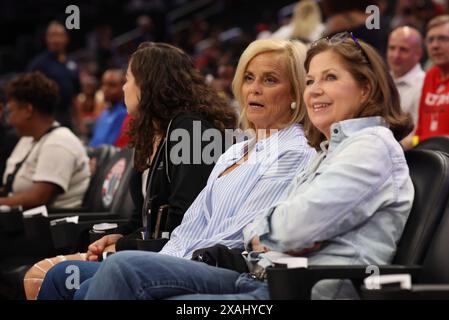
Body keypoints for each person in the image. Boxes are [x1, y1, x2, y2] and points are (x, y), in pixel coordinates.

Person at [78, 33, 414, 300]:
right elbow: (281, 229)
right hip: (260, 279)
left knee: (124, 270)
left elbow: (288, 229)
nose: (316, 90)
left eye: (329, 77)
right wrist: (276, 231)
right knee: (79, 281)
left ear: (365, 87)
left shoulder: (369, 146)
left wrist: (269, 231)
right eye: (311, 80)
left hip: (299, 290)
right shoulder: (327, 150)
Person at [36, 39, 317, 300]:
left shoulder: (292, 152)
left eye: (269, 80)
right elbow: (189, 225)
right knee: (62, 277)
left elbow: (243, 236)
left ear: (295, 91)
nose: (254, 88)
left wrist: (160, 259)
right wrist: (164, 257)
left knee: (122, 268)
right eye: (248, 78)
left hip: (234, 270)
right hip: (187, 258)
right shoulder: (237, 150)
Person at [24, 42, 238, 299]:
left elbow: (185, 221)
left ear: (148, 84)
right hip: (151, 251)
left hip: (182, 258)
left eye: (128, 79)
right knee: (59, 276)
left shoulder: (192, 132)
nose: (125, 87)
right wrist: (118, 234)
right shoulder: (150, 135)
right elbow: (142, 221)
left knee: (75, 286)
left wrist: (122, 245)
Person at [0, 72, 90, 209]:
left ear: (28, 110)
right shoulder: (28, 139)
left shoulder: (59, 142)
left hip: (47, 227)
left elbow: (38, 198)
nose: (10, 120)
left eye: (11, 112)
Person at [27, 21, 81, 130]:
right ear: (47, 39)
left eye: (59, 35)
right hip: (44, 116)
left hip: (66, 116)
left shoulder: (72, 65)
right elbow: (27, 93)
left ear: (66, 38)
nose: (56, 40)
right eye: (52, 36)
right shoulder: (38, 64)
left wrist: (80, 122)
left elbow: (75, 96)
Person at [386, 26, 425, 149]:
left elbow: (419, 136)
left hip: (411, 156)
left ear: (418, 54)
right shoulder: (381, 80)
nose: (396, 55)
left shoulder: (424, 84)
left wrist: (392, 148)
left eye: (403, 50)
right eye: (392, 48)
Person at [415, 15, 449, 143]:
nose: (435, 45)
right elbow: (420, 129)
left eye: (443, 39)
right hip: (428, 154)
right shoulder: (430, 75)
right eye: (430, 40)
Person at [88, 69, 127, 147]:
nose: (105, 89)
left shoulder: (124, 115)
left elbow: (111, 146)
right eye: (104, 84)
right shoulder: (104, 113)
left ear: (124, 87)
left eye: (112, 85)